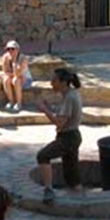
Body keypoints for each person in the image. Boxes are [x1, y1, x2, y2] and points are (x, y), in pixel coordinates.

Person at [36, 69, 83, 205]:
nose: (51, 83)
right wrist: (49, 107)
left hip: (68, 137)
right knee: (72, 176)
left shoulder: (69, 97)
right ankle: (79, 201)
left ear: (63, 82)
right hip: (73, 135)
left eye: (54, 80)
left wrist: (44, 110)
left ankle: (48, 189)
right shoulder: (71, 93)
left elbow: (59, 123)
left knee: (43, 156)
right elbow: (63, 116)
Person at [1, 41, 31, 113]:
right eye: (8, 49)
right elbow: (5, 71)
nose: (10, 51)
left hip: (25, 80)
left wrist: (14, 62)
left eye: (13, 49)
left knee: (16, 80)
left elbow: (18, 73)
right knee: (6, 80)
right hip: (15, 78)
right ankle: (11, 102)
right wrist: (12, 75)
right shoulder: (5, 57)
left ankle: (19, 103)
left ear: (17, 50)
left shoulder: (23, 58)